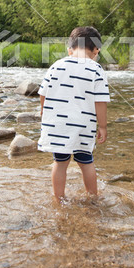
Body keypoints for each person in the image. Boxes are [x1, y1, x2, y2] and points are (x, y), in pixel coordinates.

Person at [38, 26, 110, 201]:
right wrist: (102, 126)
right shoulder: (96, 69)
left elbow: (43, 94)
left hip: (58, 124)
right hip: (82, 126)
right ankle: (92, 197)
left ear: (70, 49)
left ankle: (59, 199)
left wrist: (43, 114)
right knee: (86, 162)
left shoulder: (56, 66)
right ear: (96, 50)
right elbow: (100, 102)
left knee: (60, 163)